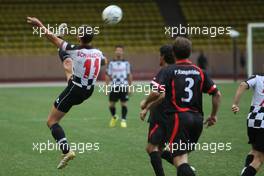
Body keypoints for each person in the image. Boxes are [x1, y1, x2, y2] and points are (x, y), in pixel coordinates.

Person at [26, 17, 106, 169]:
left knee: (51, 121)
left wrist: (39, 24)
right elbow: (104, 61)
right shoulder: (98, 52)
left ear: (79, 37)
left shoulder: (75, 49)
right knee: (68, 65)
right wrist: (93, 60)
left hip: (75, 90)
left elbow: (50, 37)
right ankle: (67, 59)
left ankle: (67, 151)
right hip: (88, 90)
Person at [140, 37, 221, 176]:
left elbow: (157, 92)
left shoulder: (169, 71)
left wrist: (145, 103)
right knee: (180, 159)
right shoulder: (199, 71)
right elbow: (217, 94)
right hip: (197, 120)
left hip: (179, 119)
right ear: (190, 52)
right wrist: (213, 115)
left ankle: (186, 170)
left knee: (180, 161)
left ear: (174, 53)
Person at [140, 45, 175, 176]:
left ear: (163, 56)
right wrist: (148, 108)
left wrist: (145, 102)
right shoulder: (176, 71)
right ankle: (184, 167)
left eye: (159, 55)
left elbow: (158, 93)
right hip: (172, 116)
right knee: (159, 150)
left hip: (161, 116)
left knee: (151, 148)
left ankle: (183, 166)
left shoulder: (164, 71)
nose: (158, 57)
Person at [232, 74, 264, 176]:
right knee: (259, 158)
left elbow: (242, 85)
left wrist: (235, 104)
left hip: (252, 119)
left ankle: (245, 170)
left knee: (254, 150)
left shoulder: (257, 77)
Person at [105, 45, 132, 128]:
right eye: (117, 50)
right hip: (114, 86)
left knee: (124, 103)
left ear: (122, 52)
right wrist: (106, 87)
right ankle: (114, 117)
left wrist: (130, 87)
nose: (119, 52)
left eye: (120, 50)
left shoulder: (126, 63)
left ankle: (123, 120)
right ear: (115, 52)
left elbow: (129, 75)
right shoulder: (111, 63)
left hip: (124, 85)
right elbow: (108, 76)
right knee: (111, 105)